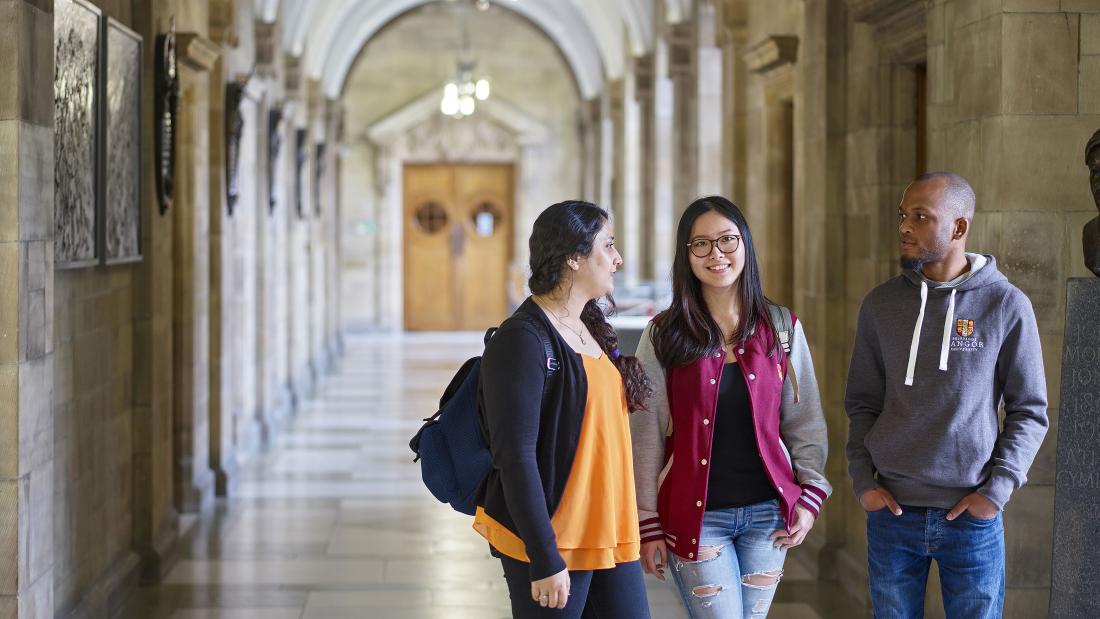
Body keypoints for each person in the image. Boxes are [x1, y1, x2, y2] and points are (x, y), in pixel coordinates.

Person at [845, 172, 1049, 619]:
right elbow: (862, 403)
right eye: (903, 216)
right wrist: (864, 483)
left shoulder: (1005, 304)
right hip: (891, 513)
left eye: (920, 217)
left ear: (959, 227)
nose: (904, 227)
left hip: (971, 516)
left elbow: (1029, 411)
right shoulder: (880, 305)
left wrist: (995, 492)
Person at [631, 196, 831, 618]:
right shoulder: (663, 334)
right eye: (700, 244)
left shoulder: (781, 327)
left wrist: (810, 495)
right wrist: (647, 521)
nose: (716, 254)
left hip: (768, 517)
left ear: (745, 245)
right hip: (698, 519)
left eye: (727, 240)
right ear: (686, 256)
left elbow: (804, 420)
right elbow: (645, 432)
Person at [472, 200, 654, 618]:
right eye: (607, 246)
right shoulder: (523, 339)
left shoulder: (588, 325)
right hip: (557, 540)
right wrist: (544, 556)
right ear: (573, 257)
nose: (617, 258)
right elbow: (514, 457)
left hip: (608, 530)